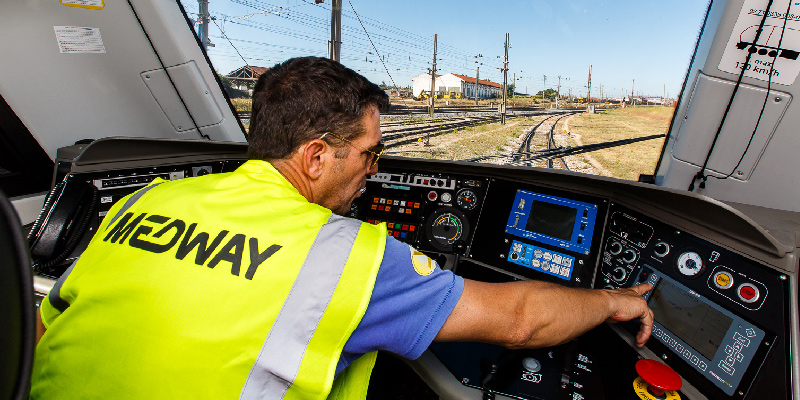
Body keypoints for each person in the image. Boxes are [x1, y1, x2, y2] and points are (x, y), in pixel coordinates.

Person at [31, 56, 653, 399]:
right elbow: (518, 320)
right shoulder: (342, 255)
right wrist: (609, 300)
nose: (374, 171)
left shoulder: (144, 204)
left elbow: (46, 323)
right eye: (370, 155)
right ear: (315, 157)